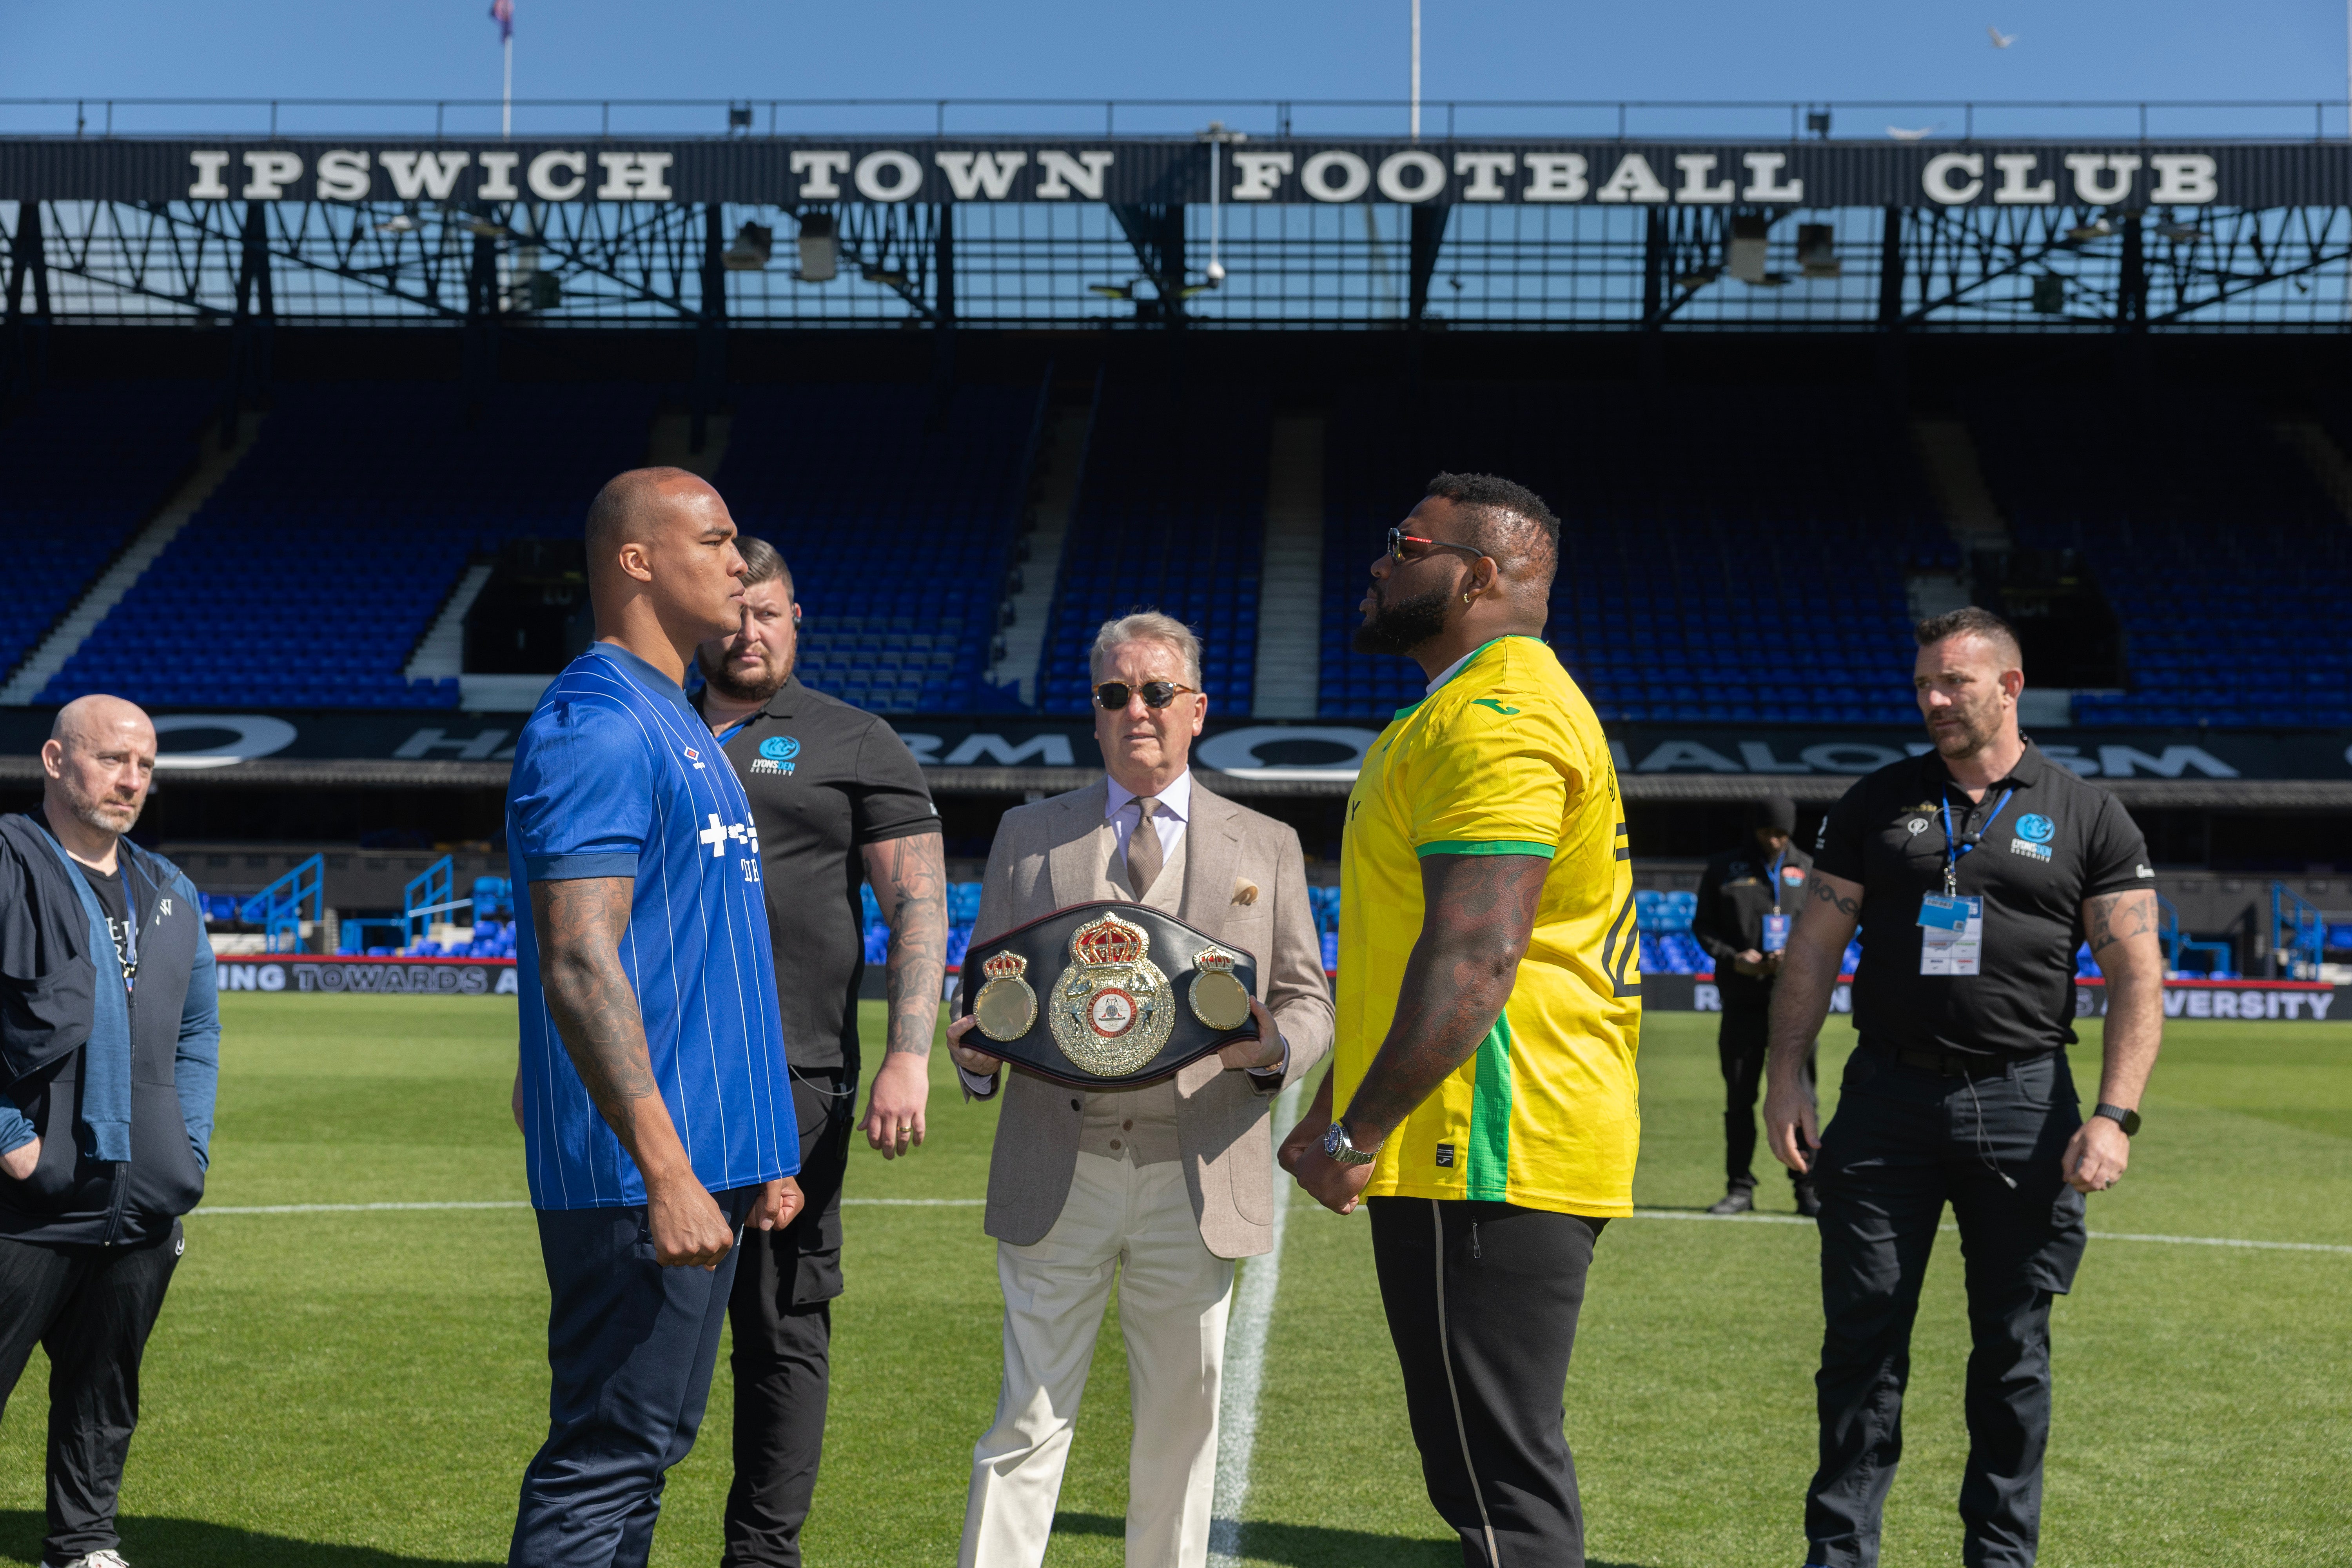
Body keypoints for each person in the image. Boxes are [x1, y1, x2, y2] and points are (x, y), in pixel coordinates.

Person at [1283, 472, 1641, 1568]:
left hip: (1486, 1135)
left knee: (1498, 1494)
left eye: (1407, 544)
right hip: (1491, 1130)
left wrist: (1357, 1132)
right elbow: (1418, 955)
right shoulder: (1466, 704)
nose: (1382, 562)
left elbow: (1480, 958)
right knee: (1489, 1480)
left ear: (1479, 575)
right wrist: (1337, 1101)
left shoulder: (1496, 714)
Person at [1764, 606, 2164, 1568]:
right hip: (1885, 1100)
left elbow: (2138, 973)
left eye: (1953, 682)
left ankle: (1999, 1556)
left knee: (2013, 1350)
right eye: (1923, 685)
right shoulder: (1875, 803)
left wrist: (2114, 1115)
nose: (1934, 700)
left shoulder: (2084, 812)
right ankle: (1840, 1553)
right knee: (1861, 1340)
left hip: (2026, 1103)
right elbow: (1814, 951)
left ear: (2010, 686)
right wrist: (1786, 1076)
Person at [942, 611, 1333, 1568]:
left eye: (1158, 692)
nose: (1137, 710)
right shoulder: (1028, 834)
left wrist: (1273, 1049)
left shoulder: (1268, 842)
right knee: (1023, 1425)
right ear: (1095, 713)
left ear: (1197, 710)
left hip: (1193, 1169)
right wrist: (973, 1056)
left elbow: (1306, 998)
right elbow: (988, 992)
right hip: (1057, 1166)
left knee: (1181, 1437)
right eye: (1115, 694)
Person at [505, 467, 805, 1568]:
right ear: (638, 561)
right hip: (642, 1177)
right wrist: (670, 1168)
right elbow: (581, 961)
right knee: (606, 1456)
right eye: (718, 540)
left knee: (646, 1450)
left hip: (705, 1158)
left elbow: (706, 958)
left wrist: (758, 1148)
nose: (741, 561)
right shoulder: (595, 725)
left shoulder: (677, 720)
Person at [690, 535, 947, 1568]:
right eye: (732, 612)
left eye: (770, 613)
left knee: (779, 1326)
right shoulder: (650, 729)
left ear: (799, 621)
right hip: (656, 1080)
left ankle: (761, 1558)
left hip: (798, 1081)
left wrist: (907, 1055)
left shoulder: (855, 740)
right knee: (645, 1321)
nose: (749, 632)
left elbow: (916, 903)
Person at [0, 696, 218, 1568]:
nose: (130, 780)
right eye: (110, 759)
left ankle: (83, 1543)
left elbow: (198, 1031)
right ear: (56, 760)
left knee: (103, 1391)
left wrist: (188, 1145)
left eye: (145, 765)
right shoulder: (9, 863)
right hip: (23, 1201)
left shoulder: (171, 890)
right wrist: (10, 1133)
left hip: (139, 1201)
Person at [1691, 795, 1820, 1216]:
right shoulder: (1724, 868)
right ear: (1755, 828)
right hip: (1743, 1000)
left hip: (1795, 1004)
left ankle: (1807, 1189)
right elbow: (1703, 926)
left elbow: (1824, 928)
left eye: (1783, 832)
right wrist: (1734, 959)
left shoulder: (1810, 868)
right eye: (1768, 831)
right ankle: (1740, 1188)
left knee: (1803, 1095)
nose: (1776, 839)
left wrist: (1796, 956)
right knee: (1740, 1098)